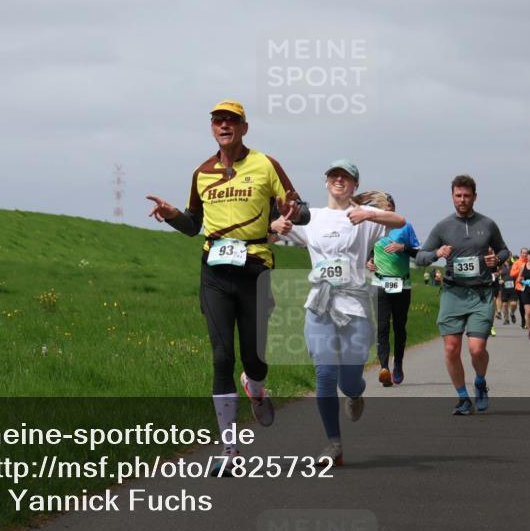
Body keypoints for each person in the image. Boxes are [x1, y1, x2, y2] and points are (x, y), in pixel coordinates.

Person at [146, 100, 310, 475]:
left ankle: (256, 386)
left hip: (256, 269)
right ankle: (229, 448)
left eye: (231, 121)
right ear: (212, 129)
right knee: (221, 357)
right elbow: (192, 224)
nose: (224, 126)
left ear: (244, 128)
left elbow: (300, 210)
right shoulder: (201, 173)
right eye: (218, 121)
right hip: (215, 272)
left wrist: (292, 213)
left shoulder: (266, 164)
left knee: (255, 359)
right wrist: (173, 216)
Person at [272, 161, 405, 466]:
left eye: (346, 177)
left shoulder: (363, 219)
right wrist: (274, 226)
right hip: (319, 304)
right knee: (324, 373)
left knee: (349, 381)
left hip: (354, 306)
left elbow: (399, 220)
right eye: (334, 175)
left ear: (355, 185)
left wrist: (369, 212)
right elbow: (273, 235)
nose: (339, 180)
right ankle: (334, 444)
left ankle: (356, 394)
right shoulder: (312, 218)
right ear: (326, 181)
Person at [416, 175, 509, 416]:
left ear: (475, 197)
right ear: (452, 197)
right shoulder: (443, 227)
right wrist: (437, 253)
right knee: (451, 348)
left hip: (480, 294)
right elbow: (420, 258)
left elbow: (503, 250)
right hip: (452, 293)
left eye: (467, 195)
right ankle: (462, 398)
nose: (462, 200)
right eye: (458, 195)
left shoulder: (487, 224)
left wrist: (496, 259)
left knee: (477, 349)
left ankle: (479, 381)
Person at [359, 192, 419, 387]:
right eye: (383, 206)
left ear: (394, 207)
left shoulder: (405, 226)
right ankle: (384, 368)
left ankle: (398, 364)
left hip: (402, 284)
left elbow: (418, 253)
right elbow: (368, 251)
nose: (387, 208)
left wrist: (403, 247)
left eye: (389, 205)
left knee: (399, 327)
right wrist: (369, 261)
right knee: (382, 327)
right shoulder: (373, 228)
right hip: (380, 284)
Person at [510, 247, 529, 328]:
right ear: (521, 254)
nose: (524, 254)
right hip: (518, 286)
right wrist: (520, 270)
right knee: (517, 304)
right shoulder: (517, 263)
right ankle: (513, 314)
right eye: (523, 253)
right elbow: (512, 274)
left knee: (525, 305)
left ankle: (524, 322)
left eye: (526, 253)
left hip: (528, 286)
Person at [500, 252, 519, 325]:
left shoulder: (514, 265)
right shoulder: (500, 266)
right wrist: (499, 280)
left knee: (513, 304)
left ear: (511, 257)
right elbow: (497, 274)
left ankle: (512, 313)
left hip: (513, 288)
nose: (507, 257)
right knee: (504, 305)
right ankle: (506, 319)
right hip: (504, 288)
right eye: (506, 256)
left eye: (509, 256)